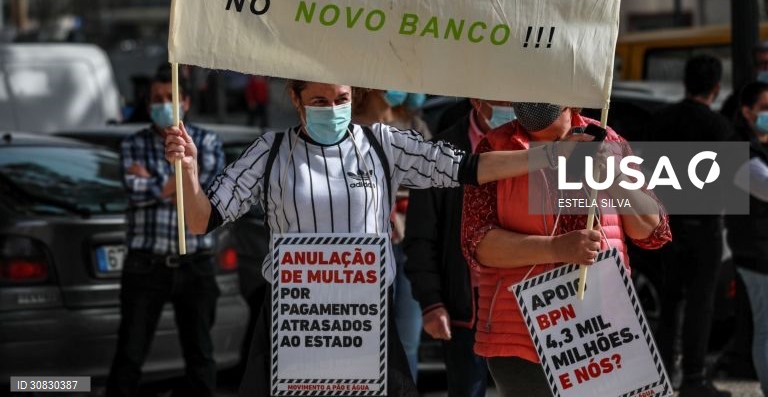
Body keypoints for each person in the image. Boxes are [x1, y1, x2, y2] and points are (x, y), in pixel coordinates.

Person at [164, 81, 592, 396]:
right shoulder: (270, 150)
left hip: (365, 314)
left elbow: (466, 169)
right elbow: (202, 220)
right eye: (318, 102)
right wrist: (188, 171)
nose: (331, 109)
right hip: (294, 317)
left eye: (341, 100)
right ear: (295, 100)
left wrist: (547, 157)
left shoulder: (382, 142)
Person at [461, 102, 672, 397]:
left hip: (603, 329)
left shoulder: (607, 140)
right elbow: (477, 242)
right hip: (522, 335)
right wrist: (556, 248)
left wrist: (615, 179)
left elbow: (653, 232)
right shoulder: (495, 147)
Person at [107, 65, 225, 397]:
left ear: (185, 102)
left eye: (169, 97)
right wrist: (183, 179)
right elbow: (136, 191)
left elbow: (207, 192)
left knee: (201, 355)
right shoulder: (133, 143)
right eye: (156, 99)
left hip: (196, 264)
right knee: (129, 355)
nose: (162, 104)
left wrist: (157, 180)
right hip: (146, 265)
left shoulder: (207, 141)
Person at [404, 98, 514, 397]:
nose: (513, 106)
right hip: (467, 305)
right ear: (478, 101)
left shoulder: (533, 145)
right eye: (503, 101)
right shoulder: (438, 153)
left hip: (524, 299)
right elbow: (420, 235)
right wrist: (431, 302)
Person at [644, 55, 732, 396]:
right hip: (705, 225)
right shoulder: (719, 127)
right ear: (715, 87)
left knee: (671, 302)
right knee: (701, 302)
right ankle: (694, 378)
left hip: (666, 223)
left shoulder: (661, 121)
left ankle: (663, 372)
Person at [352, 88, 432, 382]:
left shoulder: (413, 123)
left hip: (411, 243)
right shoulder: (350, 126)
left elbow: (430, 177)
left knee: (408, 339)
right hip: (369, 246)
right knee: (372, 337)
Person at [728, 81, 768, 396]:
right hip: (756, 253)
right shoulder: (740, 149)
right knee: (766, 329)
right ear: (747, 111)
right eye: (765, 108)